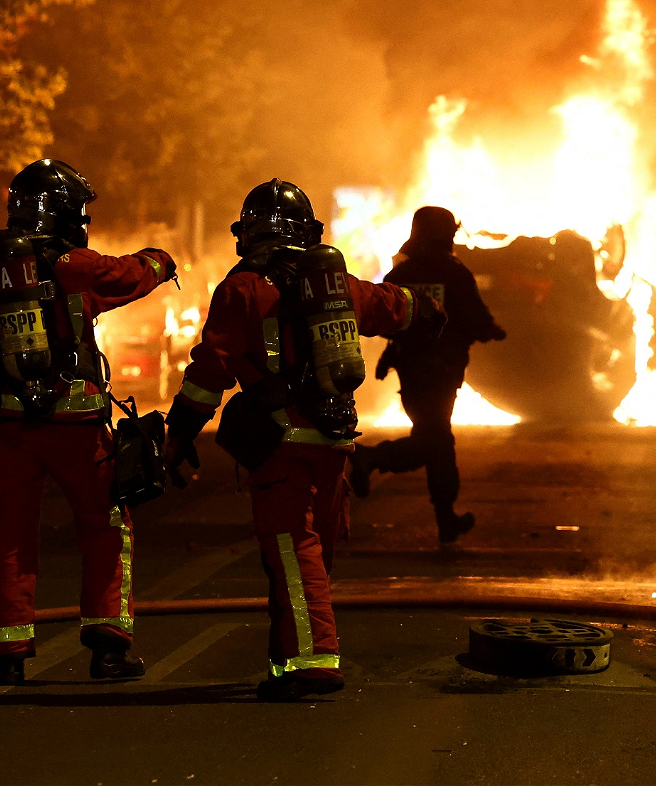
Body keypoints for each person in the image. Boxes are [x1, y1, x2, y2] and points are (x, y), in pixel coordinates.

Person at [162, 178, 442, 702]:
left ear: (247, 234)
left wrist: (179, 431)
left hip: (281, 441)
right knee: (316, 550)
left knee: (294, 550)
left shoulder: (241, 288)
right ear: (307, 231)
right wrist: (427, 311)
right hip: (335, 439)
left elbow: (211, 370)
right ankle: (288, 654)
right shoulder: (337, 286)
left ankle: (310, 661)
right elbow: (393, 306)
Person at [0, 159, 177, 686]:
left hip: (5, 430)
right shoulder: (75, 266)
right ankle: (108, 649)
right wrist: (161, 260)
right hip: (78, 427)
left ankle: (7, 657)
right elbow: (132, 275)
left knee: (10, 537)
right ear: (66, 212)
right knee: (105, 529)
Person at [348, 206, 505, 543]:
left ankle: (446, 518)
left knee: (435, 438)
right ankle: (373, 458)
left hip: (410, 370)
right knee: (434, 441)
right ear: (444, 234)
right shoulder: (455, 273)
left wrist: (392, 353)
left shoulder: (401, 274)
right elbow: (475, 317)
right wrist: (493, 330)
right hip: (442, 370)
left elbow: (384, 317)